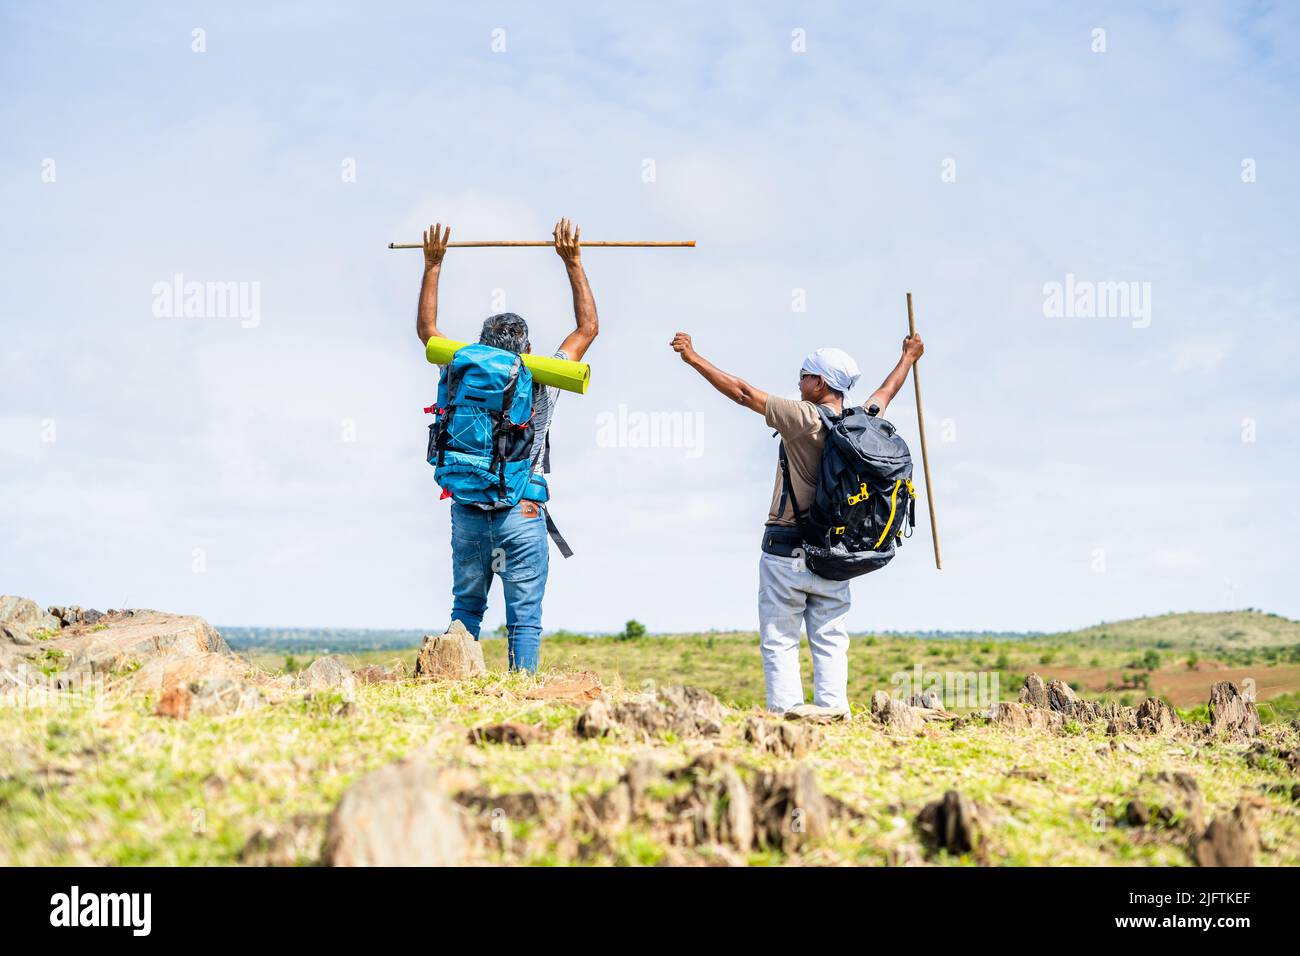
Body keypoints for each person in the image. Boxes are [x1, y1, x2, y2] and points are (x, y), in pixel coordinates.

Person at [669, 330, 924, 717]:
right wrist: (908, 358)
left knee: (780, 640)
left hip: (787, 551)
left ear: (820, 382)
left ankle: (787, 716)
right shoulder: (864, 424)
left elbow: (742, 393)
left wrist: (693, 357)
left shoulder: (803, 417)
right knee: (831, 639)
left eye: (805, 375)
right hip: (838, 555)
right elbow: (885, 393)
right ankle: (834, 710)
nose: (799, 381)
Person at [418, 218, 598, 672]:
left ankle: (453, 681)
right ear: (528, 349)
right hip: (522, 512)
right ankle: (520, 690)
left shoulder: (458, 370)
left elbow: (427, 330)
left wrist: (433, 265)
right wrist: (572, 261)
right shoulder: (541, 377)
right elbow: (588, 328)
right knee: (524, 620)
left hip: (467, 510)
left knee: (466, 609)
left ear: (480, 346)